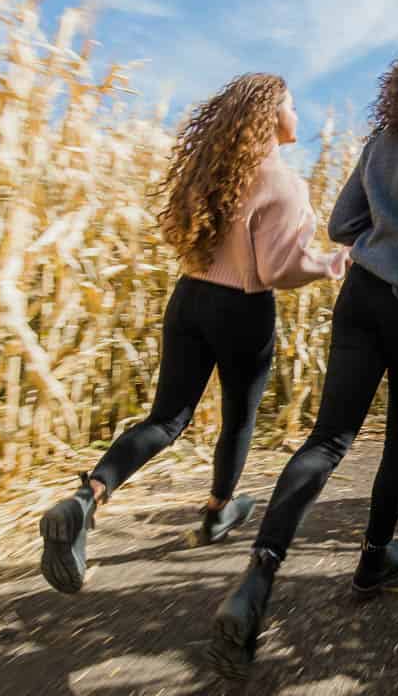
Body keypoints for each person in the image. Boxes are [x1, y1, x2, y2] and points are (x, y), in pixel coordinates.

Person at [209, 30, 398, 677]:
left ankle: (258, 578)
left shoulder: (382, 139)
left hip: (364, 297)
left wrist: (386, 238)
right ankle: (374, 560)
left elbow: (343, 225)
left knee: (329, 438)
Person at [39, 73, 348, 595]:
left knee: (166, 418)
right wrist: (334, 262)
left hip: (189, 298)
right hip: (243, 310)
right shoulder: (284, 184)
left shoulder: (216, 174)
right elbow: (277, 271)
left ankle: (87, 497)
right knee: (238, 417)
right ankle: (217, 511)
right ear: (272, 115)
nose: (301, 116)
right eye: (293, 106)